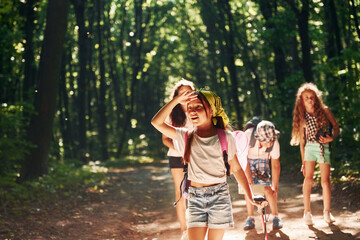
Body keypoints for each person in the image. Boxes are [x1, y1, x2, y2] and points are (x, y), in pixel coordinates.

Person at [151, 89, 260, 240]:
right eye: (190, 108)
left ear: (211, 110)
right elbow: (156, 122)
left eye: (198, 107)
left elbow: (235, 168)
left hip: (219, 196)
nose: (192, 111)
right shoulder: (185, 136)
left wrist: (250, 195)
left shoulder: (226, 137)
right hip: (195, 197)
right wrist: (176, 101)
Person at [290, 82, 339, 225]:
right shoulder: (302, 116)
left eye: (312, 97)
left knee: (325, 181)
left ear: (316, 98)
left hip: (323, 148)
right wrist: (303, 161)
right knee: (308, 180)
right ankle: (307, 213)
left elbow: (336, 127)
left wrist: (332, 137)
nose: (310, 100)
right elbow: (302, 142)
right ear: (301, 100)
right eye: (306, 98)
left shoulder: (324, 110)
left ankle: (327, 212)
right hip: (309, 149)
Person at [162, 79, 195, 239]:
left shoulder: (198, 110)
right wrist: (181, 151)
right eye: (182, 93)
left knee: (196, 192)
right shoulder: (171, 114)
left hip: (196, 159)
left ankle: (196, 228)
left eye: (189, 91)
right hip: (176, 158)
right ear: (176, 96)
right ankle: (184, 230)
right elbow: (165, 140)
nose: (186, 95)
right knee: (180, 192)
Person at [241, 120, 283, 230]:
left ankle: (276, 217)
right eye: (266, 142)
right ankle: (250, 218)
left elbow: (275, 165)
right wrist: (249, 180)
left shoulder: (274, 142)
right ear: (258, 138)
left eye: (271, 141)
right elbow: (243, 159)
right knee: (249, 189)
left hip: (263, 160)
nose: (269, 144)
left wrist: (275, 186)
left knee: (268, 189)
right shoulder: (247, 137)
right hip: (247, 161)